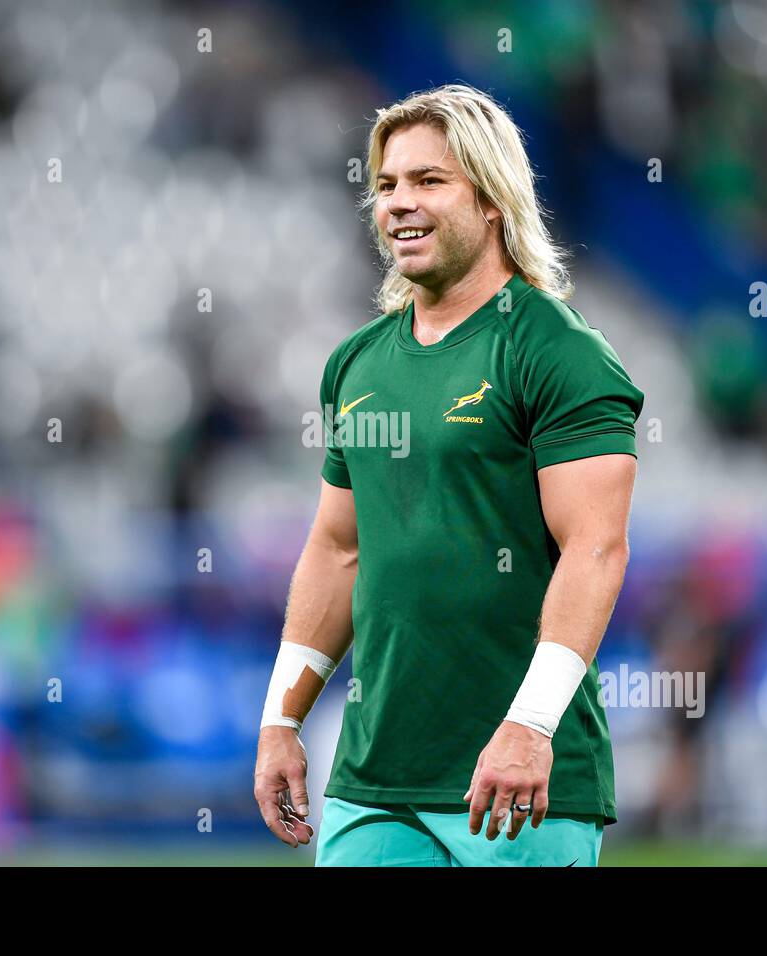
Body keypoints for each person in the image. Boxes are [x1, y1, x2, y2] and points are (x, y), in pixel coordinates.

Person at [254, 84, 643, 866]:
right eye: (387, 184)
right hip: (373, 784)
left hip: (517, 785)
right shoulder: (355, 364)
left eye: (429, 181)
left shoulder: (557, 352)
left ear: (492, 199)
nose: (399, 202)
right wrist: (281, 721)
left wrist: (530, 727)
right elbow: (337, 550)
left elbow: (595, 549)